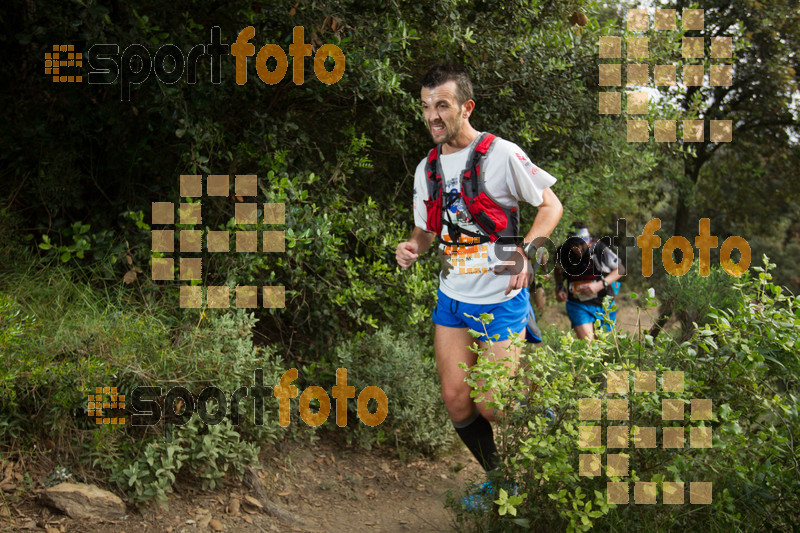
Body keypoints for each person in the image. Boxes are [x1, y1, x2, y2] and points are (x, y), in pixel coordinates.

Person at [395, 64, 562, 498]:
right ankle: (501, 480)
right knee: (457, 400)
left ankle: (542, 436)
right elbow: (426, 232)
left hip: (500, 299)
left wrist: (525, 250)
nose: (432, 115)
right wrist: (412, 248)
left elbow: (551, 207)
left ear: (466, 107)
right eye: (426, 106)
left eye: (442, 105)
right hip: (452, 297)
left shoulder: (501, 154)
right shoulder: (426, 169)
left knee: (493, 404)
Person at [554, 223, 625, 340]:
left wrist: (600, 284)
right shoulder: (562, 253)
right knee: (588, 345)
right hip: (577, 304)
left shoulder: (599, 248)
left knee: (601, 347)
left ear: (588, 240)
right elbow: (557, 271)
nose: (579, 248)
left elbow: (621, 269)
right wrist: (560, 287)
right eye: (574, 244)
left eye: (582, 243)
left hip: (604, 303)